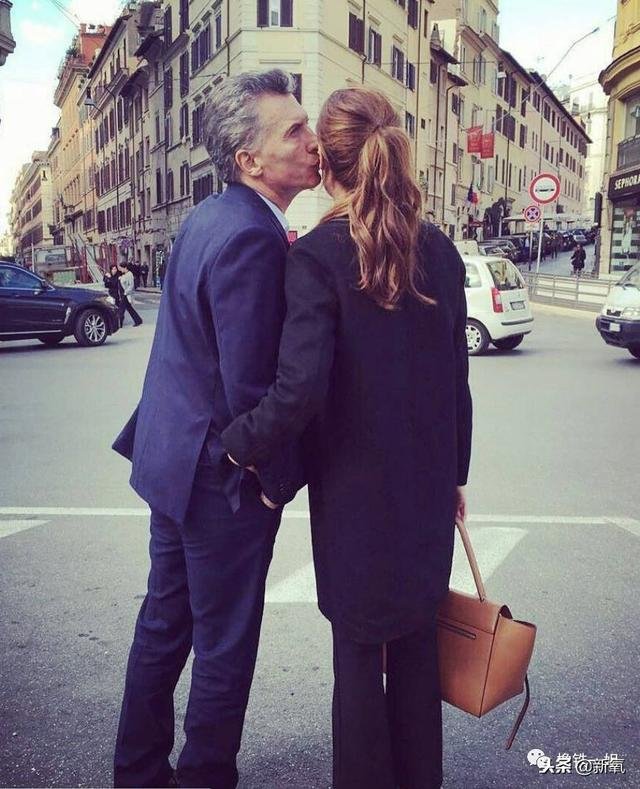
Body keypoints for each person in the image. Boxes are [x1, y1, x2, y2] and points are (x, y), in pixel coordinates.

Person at [222, 87, 472, 789]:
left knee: (358, 661)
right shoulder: (442, 252)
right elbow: (456, 383)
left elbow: (299, 390)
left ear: (329, 166)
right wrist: (456, 476)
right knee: (417, 647)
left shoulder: (318, 256)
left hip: (356, 500)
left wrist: (238, 443)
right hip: (427, 491)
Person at [111, 69, 320, 789]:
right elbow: (252, 390)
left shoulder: (208, 218)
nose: (313, 140)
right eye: (295, 130)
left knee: (164, 624)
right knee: (225, 641)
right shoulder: (253, 237)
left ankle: (137, 773)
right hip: (217, 480)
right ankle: (204, 777)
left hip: (170, 459)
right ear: (249, 160)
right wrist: (272, 483)